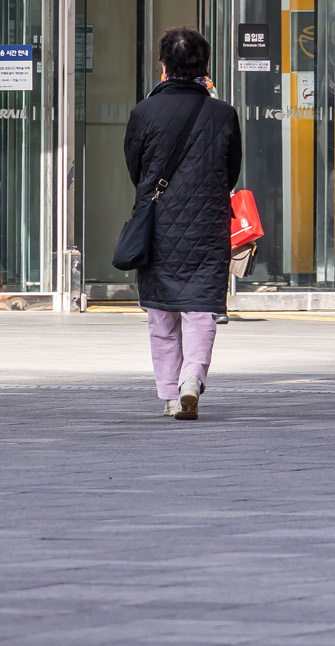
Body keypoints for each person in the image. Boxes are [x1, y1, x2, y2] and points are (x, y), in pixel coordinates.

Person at [125, 26, 243, 421]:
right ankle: (192, 378)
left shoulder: (143, 112)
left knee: (161, 313)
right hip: (208, 225)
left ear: (164, 64)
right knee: (200, 309)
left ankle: (169, 394)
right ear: (204, 65)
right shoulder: (223, 114)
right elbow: (231, 173)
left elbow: (136, 170)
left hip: (158, 224)